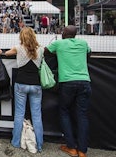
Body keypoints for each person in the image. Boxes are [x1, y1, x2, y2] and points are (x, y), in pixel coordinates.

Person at [45, 25, 91, 157]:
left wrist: (59, 53)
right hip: (85, 81)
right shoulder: (83, 43)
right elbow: (89, 54)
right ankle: (82, 150)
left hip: (67, 82)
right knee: (82, 115)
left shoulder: (59, 43)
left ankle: (71, 147)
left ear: (64, 34)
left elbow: (46, 52)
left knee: (64, 112)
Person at [5, 27, 44, 152]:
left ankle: (16, 141)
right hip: (36, 84)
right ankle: (39, 144)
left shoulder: (18, 48)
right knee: (37, 116)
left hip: (21, 83)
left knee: (19, 114)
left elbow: (6, 53)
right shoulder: (41, 49)